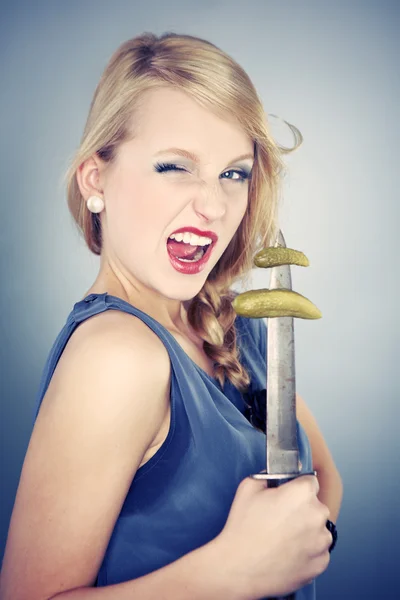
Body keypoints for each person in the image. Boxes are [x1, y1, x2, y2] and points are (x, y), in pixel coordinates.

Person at [0, 32, 343, 600]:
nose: (213, 204)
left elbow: (324, 476)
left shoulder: (239, 330)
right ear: (95, 179)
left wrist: (304, 548)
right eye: (174, 167)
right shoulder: (117, 354)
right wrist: (233, 573)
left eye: (234, 173)